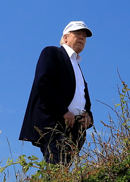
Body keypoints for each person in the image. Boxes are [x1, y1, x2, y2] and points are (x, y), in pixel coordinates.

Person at [19, 21, 94, 165]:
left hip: (75, 130)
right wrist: (63, 111)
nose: (82, 38)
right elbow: (43, 82)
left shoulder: (76, 65)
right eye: (77, 34)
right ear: (65, 38)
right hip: (55, 125)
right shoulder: (52, 53)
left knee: (63, 170)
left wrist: (89, 116)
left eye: (84, 36)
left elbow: (81, 94)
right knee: (56, 167)